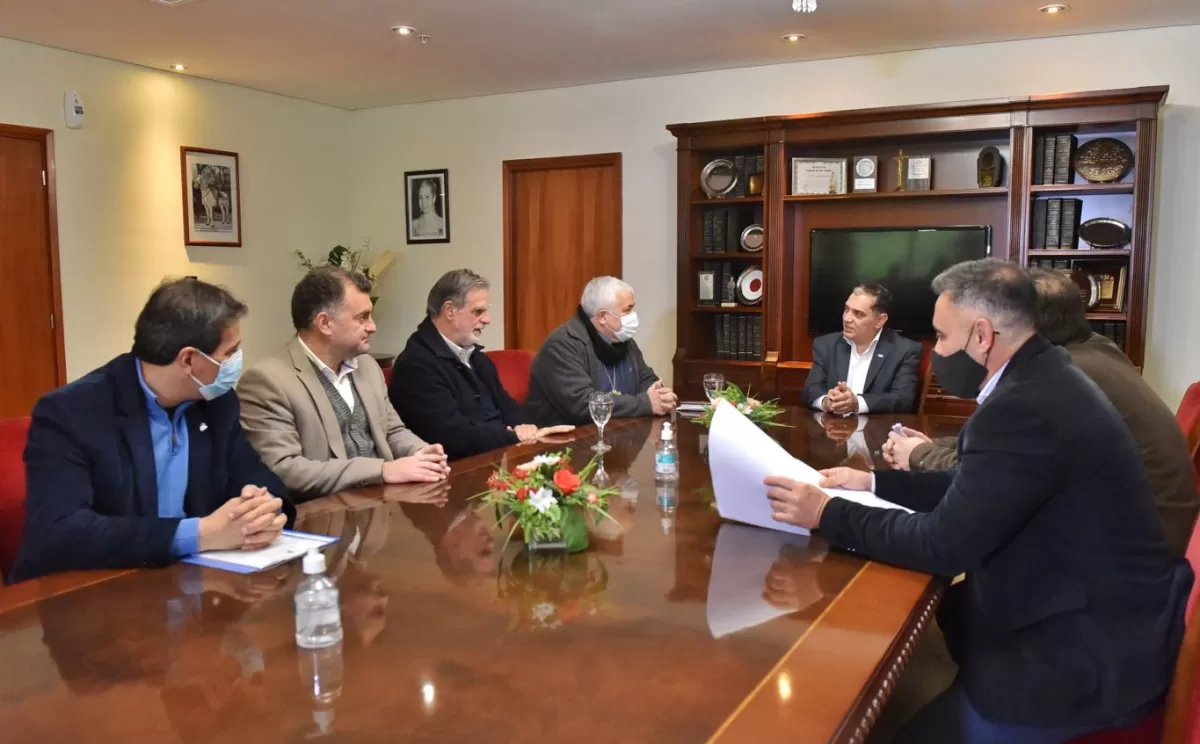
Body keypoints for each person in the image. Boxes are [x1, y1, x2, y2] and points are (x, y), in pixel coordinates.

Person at [763, 259, 1192, 743]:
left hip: (1078, 664)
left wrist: (825, 512)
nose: (938, 353)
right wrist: (874, 485)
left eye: (943, 338)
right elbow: (979, 488)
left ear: (982, 336)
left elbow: (942, 545)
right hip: (1098, 624)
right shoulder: (1046, 377)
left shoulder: (1023, 407)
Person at [885, 267, 1199, 557]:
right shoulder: (1095, 348)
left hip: (1124, 553)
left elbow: (991, 473)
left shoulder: (1058, 381)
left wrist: (921, 454)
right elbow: (1004, 450)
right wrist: (934, 445)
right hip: (1144, 527)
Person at [10, 278, 292, 584]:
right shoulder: (73, 413)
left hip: (192, 586)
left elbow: (256, 476)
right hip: (92, 594)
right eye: (230, 353)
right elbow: (60, 532)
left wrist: (263, 510)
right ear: (189, 359)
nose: (237, 362)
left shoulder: (216, 403)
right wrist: (201, 534)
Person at [237, 266, 449, 502]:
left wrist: (421, 453)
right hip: (320, 519)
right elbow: (284, 470)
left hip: (382, 513)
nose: (373, 326)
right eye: (362, 317)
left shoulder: (367, 366)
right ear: (325, 323)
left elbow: (392, 430)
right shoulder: (267, 382)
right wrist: (382, 471)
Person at [389, 269, 573, 459]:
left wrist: (529, 429)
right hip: (455, 472)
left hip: (495, 458)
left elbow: (510, 409)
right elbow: (453, 438)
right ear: (449, 310)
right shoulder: (416, 366)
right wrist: (513, 436)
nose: (487, 320)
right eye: (478, 312)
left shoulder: (477, 358)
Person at [525, 276, 677, 426]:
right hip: (566, 442)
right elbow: (582, 404)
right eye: (628, 310)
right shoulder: (561, 345)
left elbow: (646, 378)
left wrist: (658, 395)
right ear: (603, 317)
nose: (634, 316)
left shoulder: (623, 340)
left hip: (619, 434)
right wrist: (645, 403)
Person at [802, 283, 922, 415]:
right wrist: (827, 401)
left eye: (858, 314)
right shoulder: (826, 345)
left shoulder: (904, 350)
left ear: (879, 321)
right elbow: (810, 390)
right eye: (846, 309)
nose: (847, 318)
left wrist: (857, 403)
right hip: (831, 430)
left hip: (876, 432)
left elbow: (903, 400)